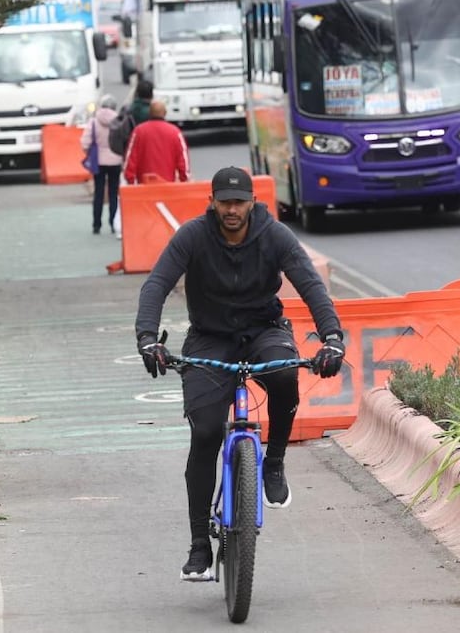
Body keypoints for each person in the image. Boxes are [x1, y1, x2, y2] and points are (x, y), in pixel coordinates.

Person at [134, 167, 346, 582]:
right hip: (209, 338)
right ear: (212, 202)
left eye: (239, 202)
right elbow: (157, 284)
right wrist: (147, 337)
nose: (232, 210)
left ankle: (275, 462)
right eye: (224, 202)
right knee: (207, 431)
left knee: (285, 376)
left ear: (252, 202)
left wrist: (332, 337)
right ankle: (199, 544)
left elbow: (310, 285)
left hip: (264, 331)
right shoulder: (193, 236)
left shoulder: (275, 235)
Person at [80, 94, 123, 235]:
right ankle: (112, 222)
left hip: (99, 161)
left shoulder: (93, 122)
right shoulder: (118, 121)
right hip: (115, 160)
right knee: (113, 193)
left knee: (98, 193)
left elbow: (85, 142)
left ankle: (96, 224)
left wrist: (90, 152)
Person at [122, 100, 190, 185]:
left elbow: (130, 160)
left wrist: (131, 182)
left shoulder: (138, 131)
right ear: (165, 113)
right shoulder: (175, 132)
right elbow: (183, 162)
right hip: (168, 187)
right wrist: (184, 180)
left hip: (144, 187)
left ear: (149, 113)